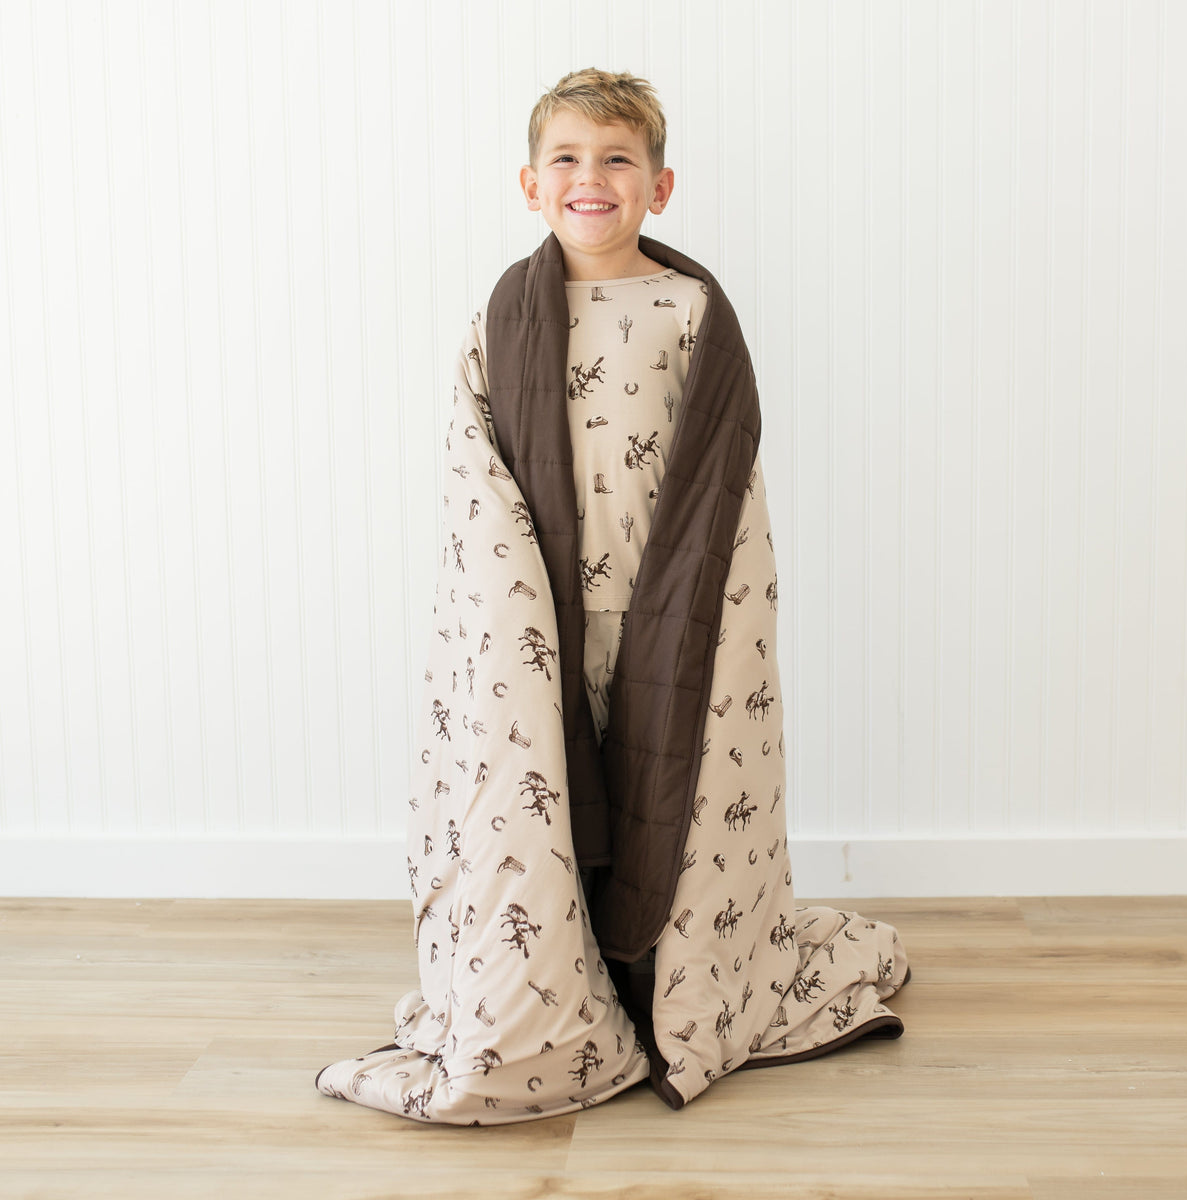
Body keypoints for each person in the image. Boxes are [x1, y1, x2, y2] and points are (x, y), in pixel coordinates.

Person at [315, 67, 910, 1126]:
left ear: (660, 185)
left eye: (617, 159)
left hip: (670, 620)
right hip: (539, 618)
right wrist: (509, 617)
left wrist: (724, 623)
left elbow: (726, 483)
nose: (591, 177)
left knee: (672, 801)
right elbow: (474, 471)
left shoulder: (691, 313)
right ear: (530, 183)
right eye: (567, 158)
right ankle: (557, 1000)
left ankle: (674, 997)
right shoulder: (505, 316)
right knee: (545, 799)